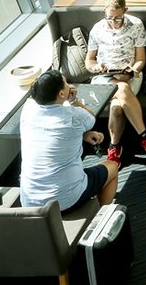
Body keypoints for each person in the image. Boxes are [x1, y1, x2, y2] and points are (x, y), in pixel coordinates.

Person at [19, 70, 120, 212]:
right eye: (66, 83)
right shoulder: (74, 116)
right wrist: (73, 100)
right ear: (61, 93)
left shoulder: (28, 109)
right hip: (65, 200)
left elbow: (55, 127)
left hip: (30, 202)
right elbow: (90, 119)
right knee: (112, 167)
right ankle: (101, 215)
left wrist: (83, 135)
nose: (69, 85)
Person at [86, 0, 146, 162]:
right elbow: (89, 61)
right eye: (109, 18)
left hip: (130, 75)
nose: (113, 22)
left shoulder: (135, 25)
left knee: (117, 106)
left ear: (125, 11)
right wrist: (96, 67)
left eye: (117, 18)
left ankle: (114, 147)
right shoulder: (97, 29)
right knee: (121, 89)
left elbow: (141, 59)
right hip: (104, 77)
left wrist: (133, 70)